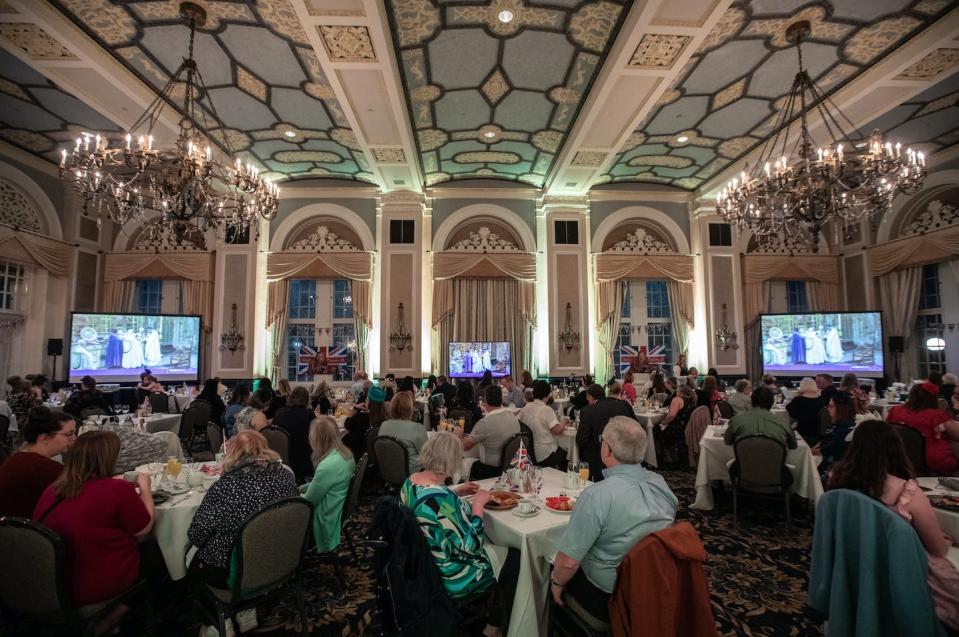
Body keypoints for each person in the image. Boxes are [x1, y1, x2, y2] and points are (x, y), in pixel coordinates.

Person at [828, 420, 959, 630]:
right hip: (901, 569)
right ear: (897, 449)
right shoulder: (908, 493)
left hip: (853, 557)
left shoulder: (837, 480)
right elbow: (937, 548)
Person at [550, 417, 677, 622]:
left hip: (611, 593)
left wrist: (556, 583)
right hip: (656, 580)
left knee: (548, 569)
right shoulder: (661, 483)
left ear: (606, 449)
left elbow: (568, 563)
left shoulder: (597, 495)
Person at [402, 432, 519, 636]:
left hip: (425, 562)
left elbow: (431, 508)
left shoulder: (410, 483)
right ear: (452, 460)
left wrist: (456, 493)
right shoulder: (442, 497)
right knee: (517, 559)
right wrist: (478, 507)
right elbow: (471, 545)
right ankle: (494, 626)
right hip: (452, 574)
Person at [34, 430, 154, 612]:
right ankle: (110, 621)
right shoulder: (117, 489)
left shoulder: (52, 490)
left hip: (55, 579)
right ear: (108, 458)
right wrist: (146, 489)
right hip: (94, 581)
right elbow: (144, 528)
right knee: (157, 557)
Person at [187, 430, 298, 587]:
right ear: (264, 448)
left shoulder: (225, 488)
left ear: (232, 453)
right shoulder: (286, 475)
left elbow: (196, 536)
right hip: (281, 556)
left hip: (237, 570)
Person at [0, 408, 74, 517]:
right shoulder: (44, 469)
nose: (74, 439)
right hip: (21, 530)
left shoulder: (19, 457)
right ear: (44, 438)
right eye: (69, 434)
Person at [303, 416, 355, 553]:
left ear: (317, 439)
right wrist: (301, 488)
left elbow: (308, 502)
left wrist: (287, 496)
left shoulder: (328, 466)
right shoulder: (345, 454)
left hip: (327, 513)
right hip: (338, 505)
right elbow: (322, 484)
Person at [888, 383, 959, 475]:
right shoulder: (936, 415)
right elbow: (957, 434)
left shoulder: (896, 411)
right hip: (932, 460)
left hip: (901, 457)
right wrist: (955, 409)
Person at [460, 384, 521, 480]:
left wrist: (458, 436)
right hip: (512, 467)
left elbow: (464, 447)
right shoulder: (513, 418)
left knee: (462, 462)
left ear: (485, 401)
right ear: (501, 400)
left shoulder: (484, 423)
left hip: (490, 470)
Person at [576, 384, 636, 481]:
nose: (588, 401)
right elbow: (635, 427)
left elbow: (581, 439)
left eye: (588, 399)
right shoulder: (624, 405)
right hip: (626, 452)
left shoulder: (587, 411)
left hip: (599, 458)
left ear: (590, 397)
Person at [724, 386, 797, 450]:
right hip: (775, 464)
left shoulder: (736, 421)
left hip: (743, 464)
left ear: (752, 401)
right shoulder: (784, 424)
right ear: (771, 403)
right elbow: (793, 446)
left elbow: (727, 441)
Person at [518, 380, 568, 469]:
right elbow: (558, 431)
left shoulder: (526, 407)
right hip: (544, 453)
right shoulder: (546, 410)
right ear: (549, 394)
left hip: (528, 452)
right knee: (567, 454)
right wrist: (564, 420)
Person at [271, 386, 316, 483]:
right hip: (302, 460)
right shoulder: (309, 415)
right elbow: (315, 438)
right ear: (307, 400)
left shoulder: (279, 412)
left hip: (279, 457)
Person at [379, 392, 428, 474]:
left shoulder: (384, 425)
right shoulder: (417, 428)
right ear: (410, 408)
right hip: (412, 474)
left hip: (387, 471)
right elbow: (426, 455)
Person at [812, 391, 858, 477]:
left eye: (831, 406)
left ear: (841, 409)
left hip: (836, 463)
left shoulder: (845, 427)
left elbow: (834, 448)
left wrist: (814, 451)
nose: (828, 409)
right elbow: (827, 439)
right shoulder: (842, 423)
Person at [654, 383, 696, 467]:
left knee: (655, 429)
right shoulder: (690, 400)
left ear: (678, 391)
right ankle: (671, 457)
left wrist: (662, 422)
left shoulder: (677, 399)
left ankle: (665, 459)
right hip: (683, 428)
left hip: (675, 429)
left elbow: (671, 416)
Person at [344, 386, 387, 460]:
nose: (365, 401)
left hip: (358, 455)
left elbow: (347, 424)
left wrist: (355, 408)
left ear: (370, 402)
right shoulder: (385, 418)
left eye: (367, 399)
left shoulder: (362, 417)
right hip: (375, 456)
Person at [787, 377, 826, 445]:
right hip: (817, 431)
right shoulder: (820, 400)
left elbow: (791, 413)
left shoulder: (798, 399)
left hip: (802, 431)